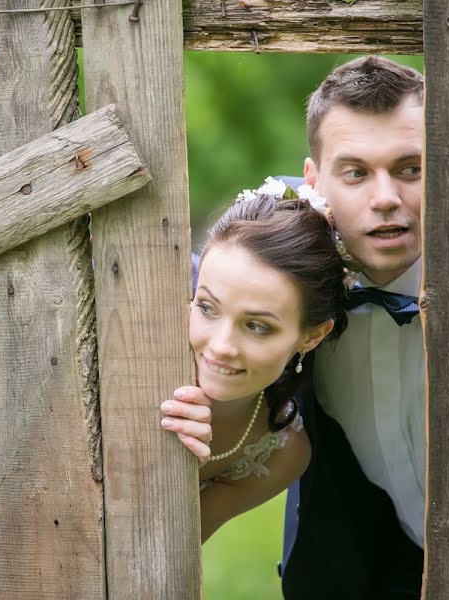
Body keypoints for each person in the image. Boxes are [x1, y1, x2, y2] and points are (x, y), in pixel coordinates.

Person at [165, 56, 426, 598]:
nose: (384, 198)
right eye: (355, 172)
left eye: (410, 168)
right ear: (315, 182)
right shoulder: (280, 272)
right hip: (361, 570)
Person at [159, 180, 348, 541]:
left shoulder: (282, 454)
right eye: (207, 308)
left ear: (312, 336)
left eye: (258, 326)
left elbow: (164, 553)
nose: (221, 345)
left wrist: (172, 480)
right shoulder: (137, 346)